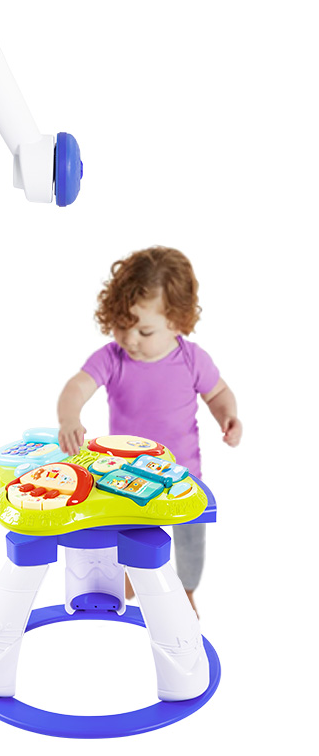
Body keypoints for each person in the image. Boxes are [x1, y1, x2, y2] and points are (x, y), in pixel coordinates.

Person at [56, 247, 241, 613]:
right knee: (129, 534)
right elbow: (76, 387)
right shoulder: (112, 358)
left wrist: (228, 416)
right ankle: (127, 577)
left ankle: (186, 590)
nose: (130, 339)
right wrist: (70, 419)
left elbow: (218, 392)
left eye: (144, 330)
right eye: (121, 325)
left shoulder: (191, 359)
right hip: (125, 477)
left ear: (177, 322)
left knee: (190, 541)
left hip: (183, 475)